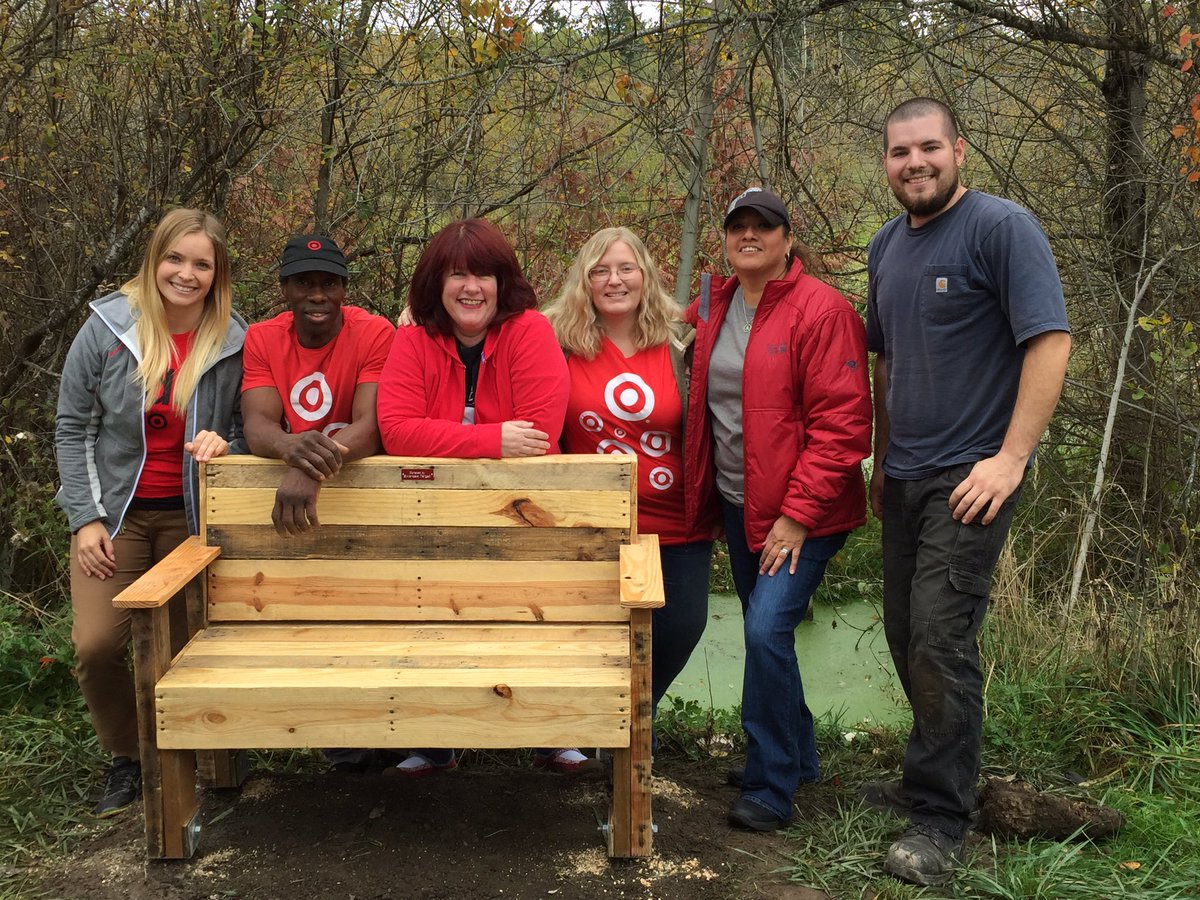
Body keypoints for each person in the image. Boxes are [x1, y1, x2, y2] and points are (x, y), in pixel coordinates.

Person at [866, 97, 1071, 886]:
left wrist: (1012, 457)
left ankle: (943, 822)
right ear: (885, 163)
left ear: (959, 150)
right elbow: (886, 363)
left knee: (939, 642)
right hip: (909, 473)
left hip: (972, 478)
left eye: (928, 148)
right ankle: (931, 779)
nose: (914, 163)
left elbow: (1049, 340)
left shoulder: (1001, 227)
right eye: (898, 153)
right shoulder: (886, 245)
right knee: (902, 632)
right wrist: (883, 462)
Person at [684, 188, 872, 832]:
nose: (749, 235)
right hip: (740, 503)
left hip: (804, 513)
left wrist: (796, 515)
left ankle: (771, 786)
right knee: (765, 633)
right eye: (737, 226)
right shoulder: (715, 305)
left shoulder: (823, 311)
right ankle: (798, 755)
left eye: (764, 225)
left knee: (765, 630)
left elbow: (844, 426)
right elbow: (636, 326)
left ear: (788, 240)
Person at [376, 217, 588, 776]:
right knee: (432, 612)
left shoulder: (531, 333)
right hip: (435, 517)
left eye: (484, 275)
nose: (472, 288)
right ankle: (435, 736)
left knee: (534, 613)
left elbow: (539, 433)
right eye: (457, 275)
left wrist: (444, 440)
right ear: (436, 284)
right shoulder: (414, 339)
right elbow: (397, 430)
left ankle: (550, 731)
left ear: (503, 281)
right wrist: (491, 438)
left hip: (526, 514)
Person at [55, 208, 246, 817]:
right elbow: (72, 427)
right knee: (98, 644)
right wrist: (84, 518)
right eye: (175, 258)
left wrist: (227, 443)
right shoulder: (109, 328)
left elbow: (253, 430)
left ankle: (205, 754)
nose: (185, 274)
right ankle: (127, 758)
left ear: (217, 275)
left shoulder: (235, 339)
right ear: (155, 258)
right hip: (118, 518)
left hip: (194, 518)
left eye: (201, 264)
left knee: (193, 643)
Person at [545, 227, 716, 722]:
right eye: (600, 270)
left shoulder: (682, 341)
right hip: (591, 527)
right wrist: (415, 320)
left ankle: (629, 723)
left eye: (625, 268)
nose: (613, 280)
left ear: (645, 274)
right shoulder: (555, 341)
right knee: (594, 639)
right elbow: (482, 332)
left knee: (679, 631)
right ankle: (604, 737)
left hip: (677, 525)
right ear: (584, 280)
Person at [240, 233, 395, 773]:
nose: (318, 294)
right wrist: (292, 452)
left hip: (363, 498)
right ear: (285, 287)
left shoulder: (375, 331)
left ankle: (384, 733)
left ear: (343, 288)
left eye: (329, 282)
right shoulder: (262, 338)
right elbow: (257, 423)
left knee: (370, 614)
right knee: (305, 615)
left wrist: (308, 467)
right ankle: (341, 738)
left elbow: (372, 427)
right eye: (305, 282)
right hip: (297, 506)